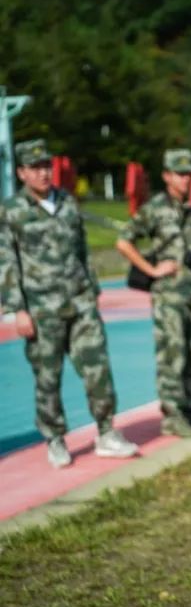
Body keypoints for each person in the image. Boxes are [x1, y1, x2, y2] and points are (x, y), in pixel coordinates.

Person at [0, 139, 139, 467]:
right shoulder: (11, 212)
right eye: (35, 168)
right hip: (40, 309)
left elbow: (81, 250)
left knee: (98, 370)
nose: (43, 173)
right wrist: (15, 309)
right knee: (48, 377)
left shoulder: (67, 202)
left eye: (47, 166)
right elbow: (6, 261)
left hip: (80, 305)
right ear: (21, 173)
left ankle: (106, 432)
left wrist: (91, 291)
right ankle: (55, 438)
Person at [116, 149, 191, 438]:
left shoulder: (189, 210)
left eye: (188, 173)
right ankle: (173, 417)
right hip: (168, 296)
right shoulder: (155, 208)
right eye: (179, 173)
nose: (185, 179)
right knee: (173, 356)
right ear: (166, 176)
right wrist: (151, 270)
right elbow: (124, 242)